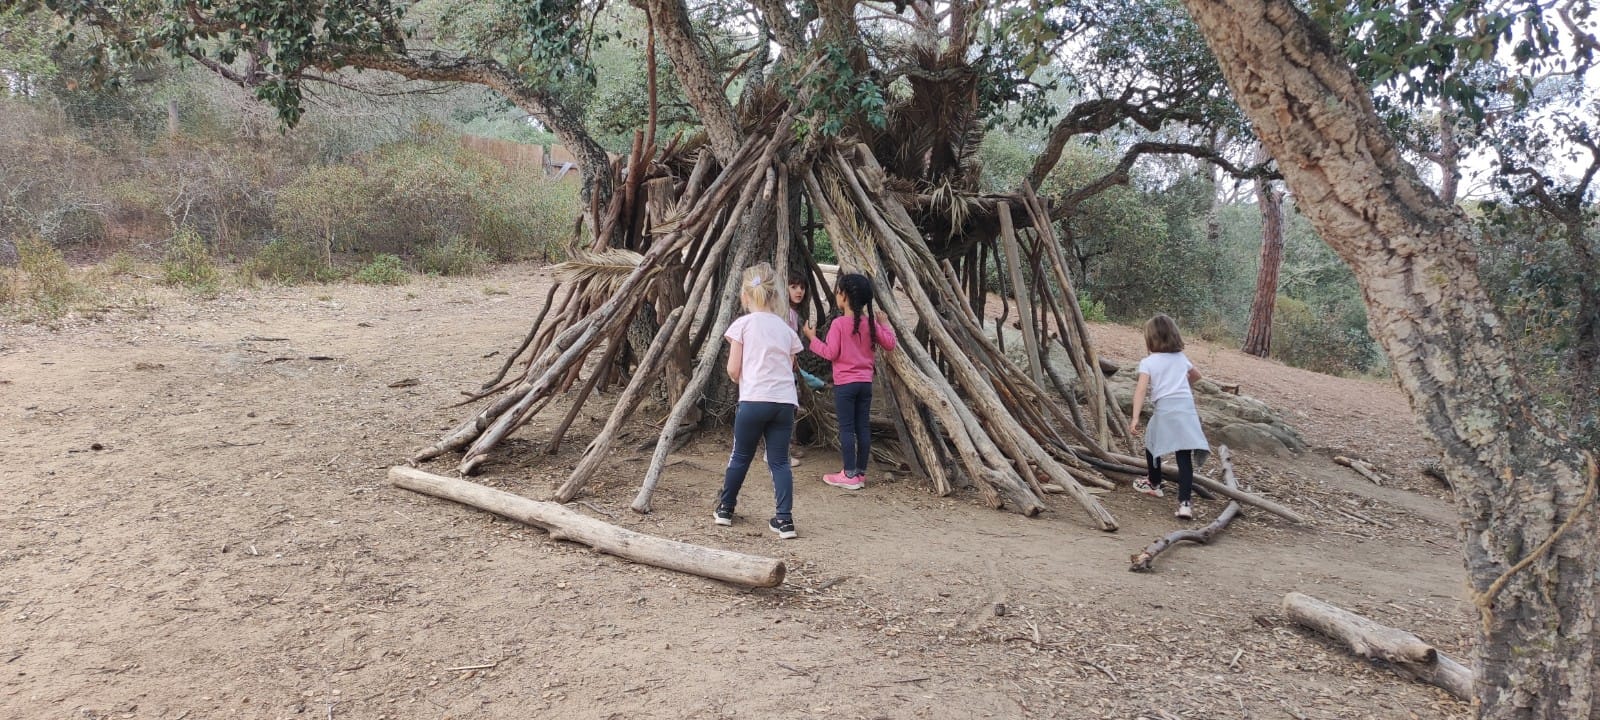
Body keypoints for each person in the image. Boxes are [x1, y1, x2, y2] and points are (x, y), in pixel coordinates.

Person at [714, 262, 805, 539]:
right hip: (784, 403)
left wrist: (741, 378)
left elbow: (733, 368)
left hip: (754, 400)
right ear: (775, 295)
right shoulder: (786, 329)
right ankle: (784, 520)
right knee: (780, 462)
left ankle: (725, 508)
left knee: (740, 455)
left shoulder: (742, 325)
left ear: (745, 296)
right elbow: (791, 364)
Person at [803, 272, 897, 490]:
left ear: (844, 296)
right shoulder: (870, 324)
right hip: (865, 384)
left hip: (845, 385)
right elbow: (890, 344)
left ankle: (848, 474)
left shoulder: (838, 324)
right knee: (862, 426)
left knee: (846, 428)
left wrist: (812, 338)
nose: (837, 295)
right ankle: (860, 473)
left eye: (838, 291)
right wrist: (884, 324)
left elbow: (830, 353)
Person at [1128, 314, 1211, 519]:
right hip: (1186, 408)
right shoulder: (1181, 358)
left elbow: (1141, 389)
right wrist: (1181, 385)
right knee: (1184, 455)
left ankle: (1154, 483)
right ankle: (1185, 505)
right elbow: (1197, 376)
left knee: (1152, 443)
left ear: (1151, 339)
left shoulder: (1148, 362)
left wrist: (1135, 417)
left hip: (1165, 408)